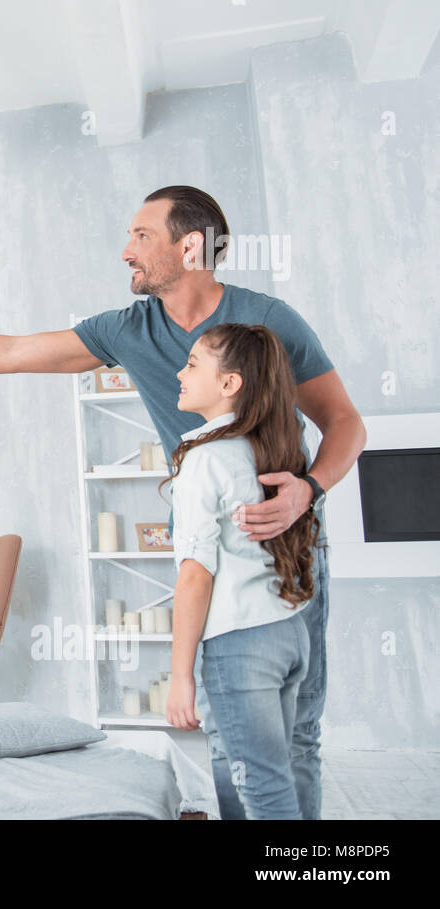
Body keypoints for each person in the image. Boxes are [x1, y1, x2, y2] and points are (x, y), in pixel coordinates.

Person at [0, 185, 366, 820]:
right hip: (211, 549)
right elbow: (13, 351)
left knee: (298, 731)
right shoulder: (129, 329)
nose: (126, 251)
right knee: (230, 734)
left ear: (190, 246)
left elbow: (345, 423)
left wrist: (307, 491)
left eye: (142, 236)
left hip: (289, 546)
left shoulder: (267, 323)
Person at [161, 323, 320, 819]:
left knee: (263, 792)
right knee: (244, 771)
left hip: (239, 642)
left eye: (192, 364)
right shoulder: (270, 449)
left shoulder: (206, 461)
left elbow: (194, 576)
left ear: (229, 384)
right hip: (288, 632)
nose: (180, 373)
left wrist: (180, 675)